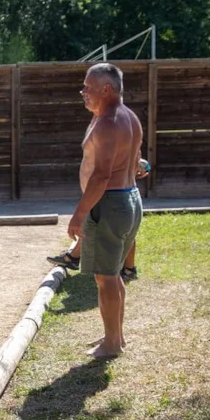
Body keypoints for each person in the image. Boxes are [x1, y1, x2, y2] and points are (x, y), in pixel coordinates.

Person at [68, 63, 143, 358]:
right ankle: (116, 337)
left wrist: (79, 214)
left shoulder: (109, 122)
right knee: (112, 273)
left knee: (105, 277)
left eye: (88, 87)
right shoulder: (129, 117)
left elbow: (101, 176)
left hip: (109, 204)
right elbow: (135, 160)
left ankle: (112, 344)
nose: (83, 92)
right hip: (128, 199)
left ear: (107, 89)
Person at [47, 155, 148, 282]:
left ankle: (125, 269)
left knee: (108, 271)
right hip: (112, 192)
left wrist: (79, 213)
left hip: (110, 193)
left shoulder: (107, 135)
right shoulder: (117, 136)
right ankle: (74, 257)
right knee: (96, 227)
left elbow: (103, 175)